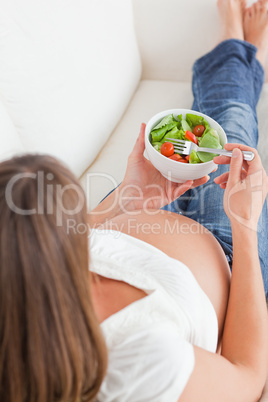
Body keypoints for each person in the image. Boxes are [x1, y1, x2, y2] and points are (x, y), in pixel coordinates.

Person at [0, 1, 267, 402]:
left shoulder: (21, 282)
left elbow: (59, 231)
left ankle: (241, 55)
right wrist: (245, 227)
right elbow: (247, 378)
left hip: (139, 211)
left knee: (202, 134)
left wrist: (127, 200)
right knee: (230, 123)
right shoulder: (140, 362)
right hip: (228, 253)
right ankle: (243, 47)